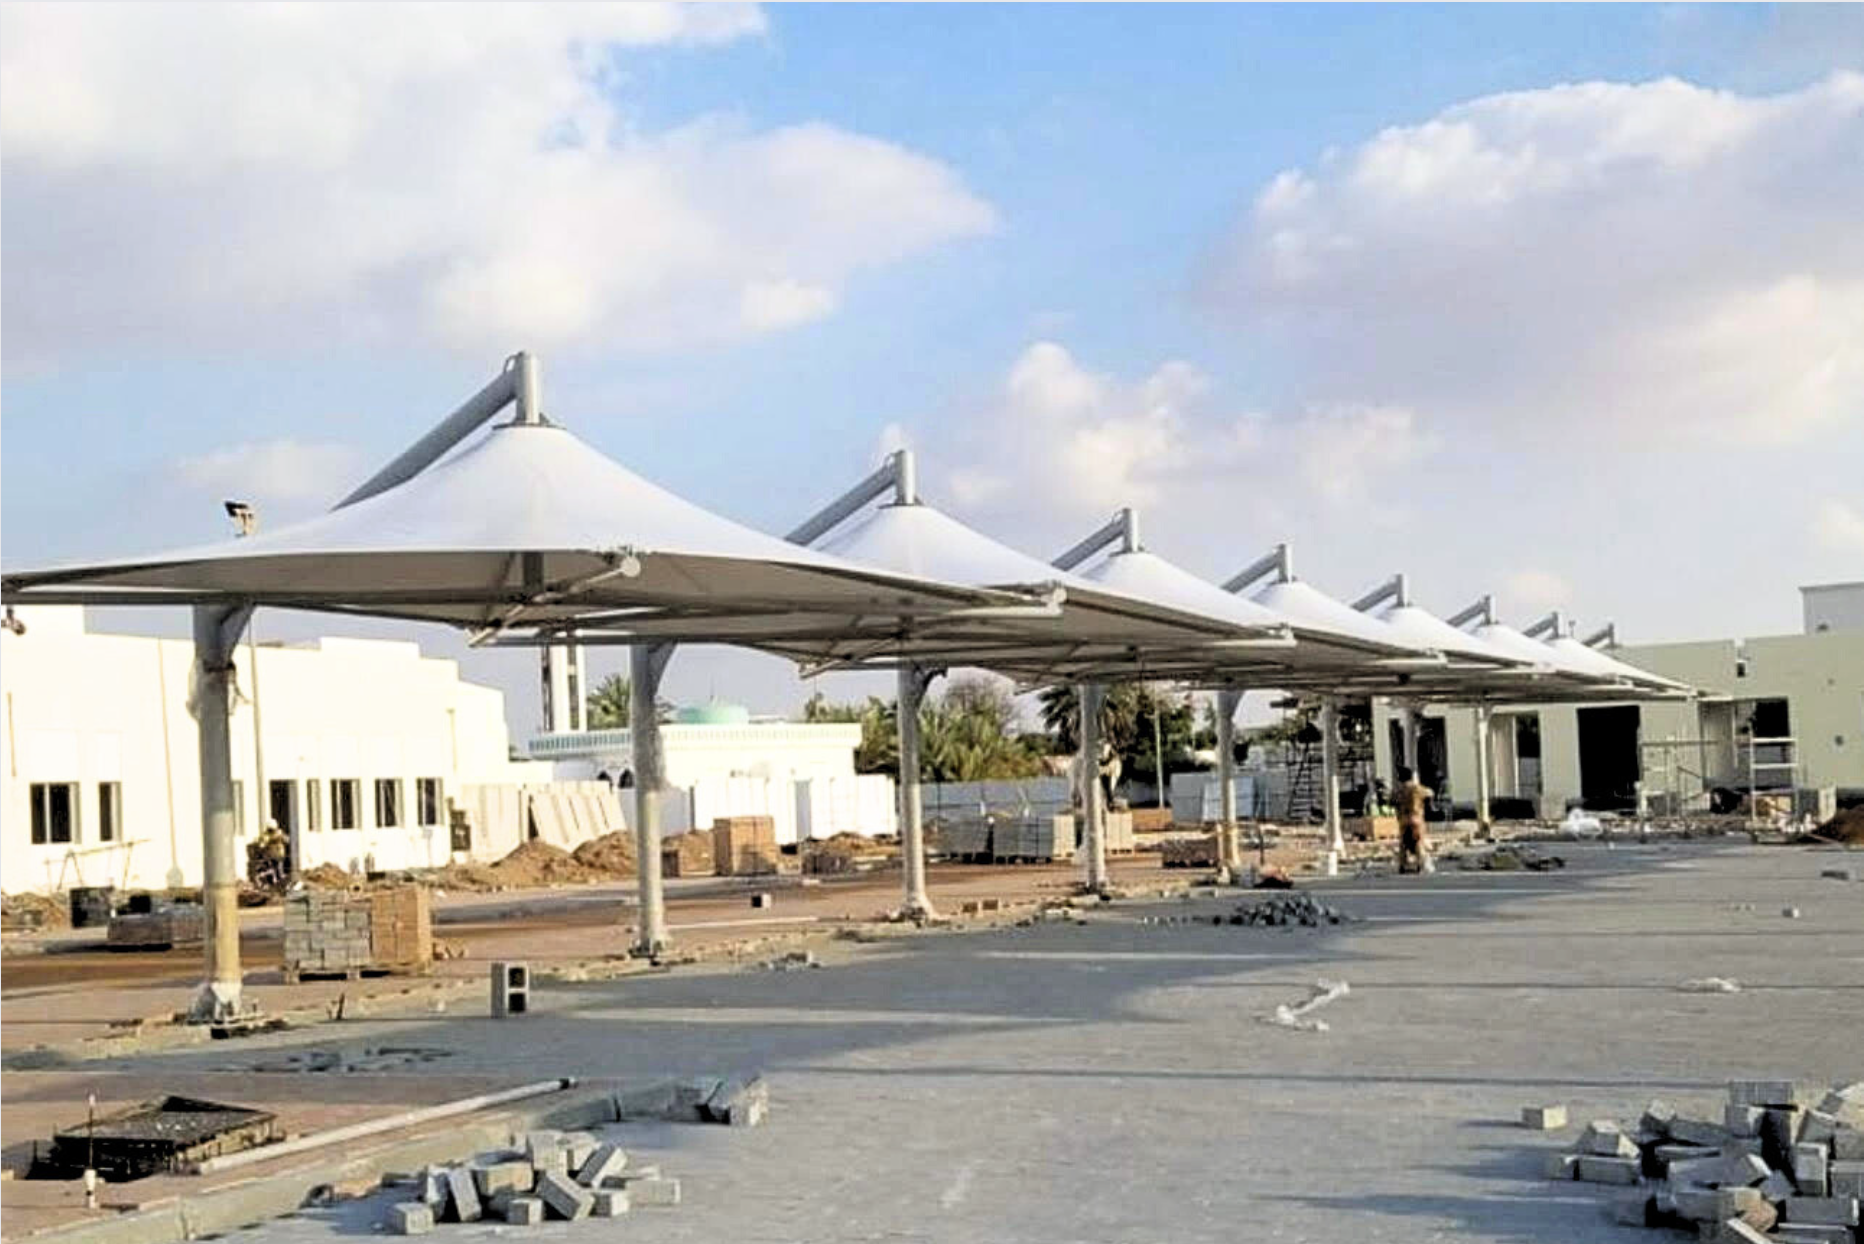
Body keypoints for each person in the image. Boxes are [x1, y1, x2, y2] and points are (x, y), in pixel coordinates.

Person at [1394, 766, 1433, 874]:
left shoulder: (1399, 790)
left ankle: (1402, 865)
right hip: (1416, 818)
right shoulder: (1417, 788)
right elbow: (1429, 793)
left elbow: (1392, 800)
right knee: (1418, 841)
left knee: (1403, 843)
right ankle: (1420, 864)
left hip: (1403, 820)